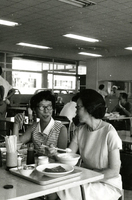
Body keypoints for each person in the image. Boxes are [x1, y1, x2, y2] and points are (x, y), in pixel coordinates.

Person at [48, 89, 122, 200]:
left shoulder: (109, 132)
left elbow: (114, 171)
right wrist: (55, 153)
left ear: (89, 108)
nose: (76, 111)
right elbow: (68, 156)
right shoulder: (80, 131)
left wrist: (86, 177)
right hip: (86, 178)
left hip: (106, 183)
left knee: (70, 189)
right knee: (55, 186)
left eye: (78, 107)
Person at [13, 90, 67, 156]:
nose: (46, 110)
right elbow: (15, 145)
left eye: (49, 106)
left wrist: (52, 154)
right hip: (35, 165)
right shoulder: (34, 127)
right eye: (42, 107)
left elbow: (63, 157)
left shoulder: (61, 129)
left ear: (53, 108)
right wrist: (16, 123)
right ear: (35, 110)